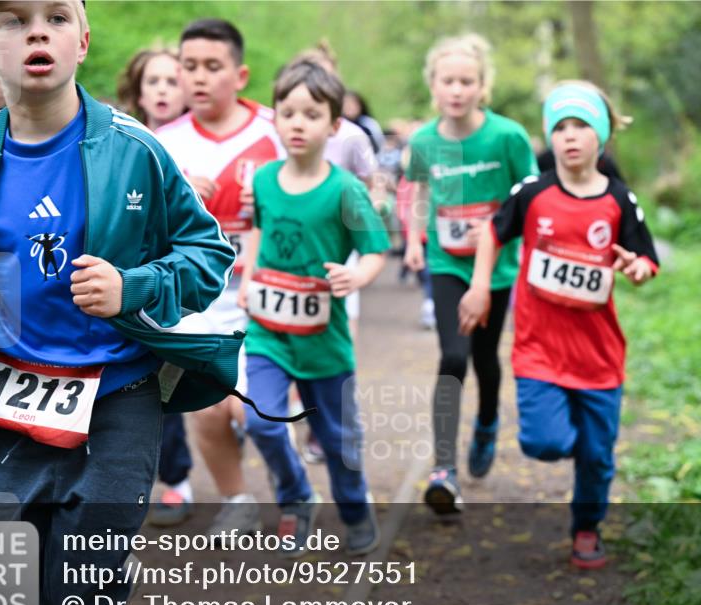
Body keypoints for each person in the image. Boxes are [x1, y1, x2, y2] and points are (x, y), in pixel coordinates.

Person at [0, 2, 236, 605]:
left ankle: (102, 573)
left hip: (119, 390)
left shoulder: (136, 149)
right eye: (12, 19)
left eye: (56, 16)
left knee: (89, 597)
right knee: (13, 583)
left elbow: (207, 253)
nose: (37, 30)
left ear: (82, 41)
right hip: (10, 396)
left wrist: (135, 286)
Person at [459, 80, 660, 568]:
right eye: (560, 128)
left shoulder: (618, 199)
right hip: (539, 348)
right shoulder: (533, 193)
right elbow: (492, 231)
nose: (570, 137)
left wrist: (635, 269)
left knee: (598, 457)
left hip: (598, 354)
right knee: (544, 442)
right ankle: (563, 436)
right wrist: (481, 287)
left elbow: (646, 261)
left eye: (582, 126)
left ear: (603, 136)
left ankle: (586, 529)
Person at [237, 59, 390, 557]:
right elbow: (258, 226)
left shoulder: (345, 189)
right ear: (275, 119)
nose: (297, 124)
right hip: (267, 330)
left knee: (340, 440)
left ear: (334, 124)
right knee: (260, 420)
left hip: (324, 339)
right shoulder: (262, 180)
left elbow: (374, 249)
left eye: (310, 114)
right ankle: (295, 495)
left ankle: (352, 509)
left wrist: (356, 276)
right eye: (287, 113)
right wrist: (250, 271)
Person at [154, 18, 285, 533]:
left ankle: (296, 496)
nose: (198, 78)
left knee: (257, 413)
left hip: (269, 294)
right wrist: (176, 196)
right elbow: (137, 225)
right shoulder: (160, 142)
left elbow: (332, 193)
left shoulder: (279, 128)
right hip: (200, 301)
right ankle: (237, 500)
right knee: (207, 411)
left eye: (213, 66)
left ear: (241, 73)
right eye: (189, 66)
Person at [403, 34, 536, 514]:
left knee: (484, 357)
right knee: (453, 355)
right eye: (448, 81)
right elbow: (417, 191)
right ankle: (444, 466)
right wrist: (416, 239)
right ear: (433, 87)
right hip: (446, 263)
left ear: (483, 87)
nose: (457, 90)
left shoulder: (507, 137)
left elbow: (529, 194)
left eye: (467, 81)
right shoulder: (423, 141)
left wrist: (517, 241)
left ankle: (486, 420)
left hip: (497, 269)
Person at [116, 46, 198, 526]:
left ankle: (177, 479)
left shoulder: (198, 143)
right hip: (121, 286)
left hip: (174, 286)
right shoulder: (116, 139)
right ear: (138, 89)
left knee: (166, 384)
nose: (164, 90)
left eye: (173, 80)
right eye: (154, 81)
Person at [116, 47, 185, 131]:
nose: (162, 90)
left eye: (172, 82)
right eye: (153, 82)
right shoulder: (123, 142)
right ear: (139, 95)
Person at [343, 89, 385, 154]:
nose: (349, 107)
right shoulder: (340, 125)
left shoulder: (368, 124)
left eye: (353, 104)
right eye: (346, 104)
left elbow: (379, 146)